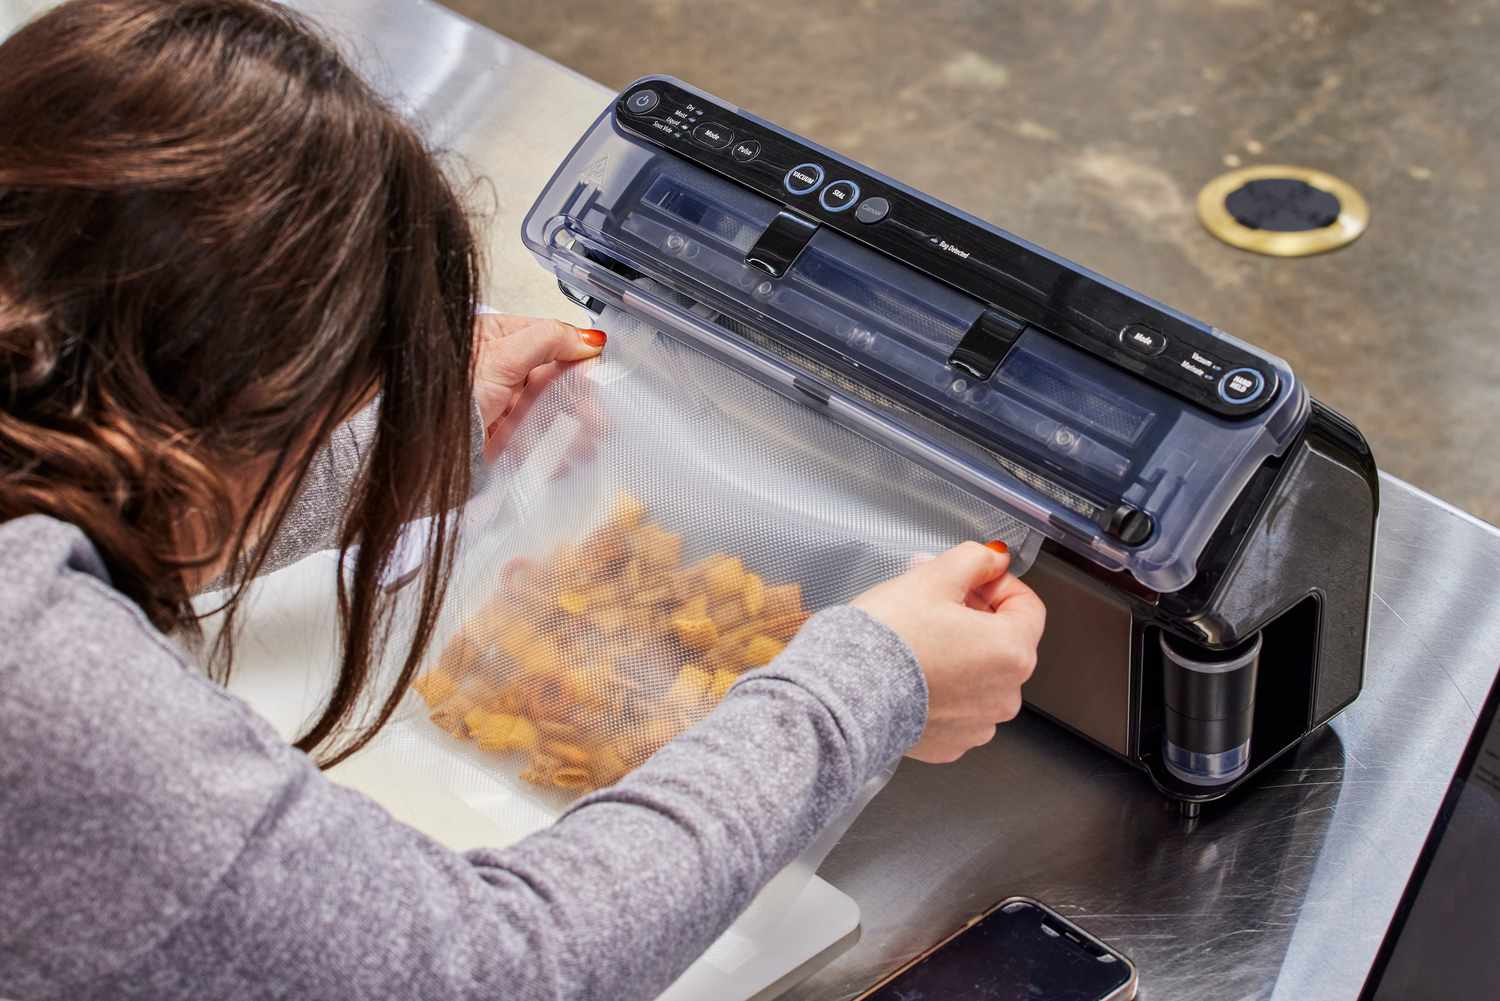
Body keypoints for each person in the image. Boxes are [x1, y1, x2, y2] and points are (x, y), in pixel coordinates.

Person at [0, 2, 1046, 999]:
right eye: (336, 402)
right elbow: (493, 969)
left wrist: (375, 465)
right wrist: (863, 685)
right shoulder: (47, 684)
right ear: (245, 394)